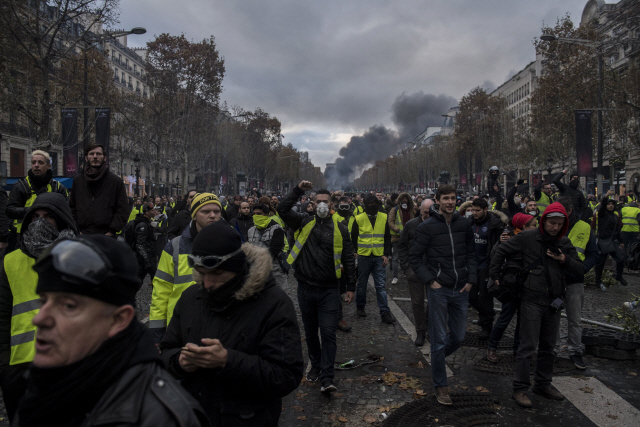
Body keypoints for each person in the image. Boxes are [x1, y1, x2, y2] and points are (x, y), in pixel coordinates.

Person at [12, 235, 209, 426]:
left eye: (69, 306)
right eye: (43, 301)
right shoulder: (43, 385)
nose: (39, 319)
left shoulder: (161, 416)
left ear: (118, 320)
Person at [159, 222, 302, 426]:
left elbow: (286, 375)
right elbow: (166, 350)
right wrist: (179, 361)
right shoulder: (190, 298)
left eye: (216, 274)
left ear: (236, 267)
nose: (207, 283)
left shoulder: (274, 304)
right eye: (201, 272)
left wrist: (228, 361)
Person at [490, 202, 582, 408]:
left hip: (554, 301)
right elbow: (501, 250)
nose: (555, 227)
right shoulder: (527, 237)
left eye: (559, 224)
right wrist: (495, 275)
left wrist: (564, 259)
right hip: (531, 299)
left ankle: (543, 383)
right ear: (544, 221)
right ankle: (520, 388)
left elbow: (579, 269)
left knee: (548, 347)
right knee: (527, 346)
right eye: (552, 223)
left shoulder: (564, 242)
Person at [0, 193, 77, 421]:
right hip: (21, 367)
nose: (40, 223)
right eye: (35, 217)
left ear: (62, 220)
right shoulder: (9, 261)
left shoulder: (79, 257)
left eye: (48, 217)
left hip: (69, 365)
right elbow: (2, 317)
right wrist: (5, 369)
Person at [277, 181, 356, 394]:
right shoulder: (303, 222)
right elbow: (282, 209)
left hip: (330, 289)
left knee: (329, 333)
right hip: (305, 288)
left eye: (325, 202)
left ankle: (327, 377)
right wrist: (298, 190)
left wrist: (350, 286)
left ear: (331, 205)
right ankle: (316, 365)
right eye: (318, 201)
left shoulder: (340, 228)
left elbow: (348, 257)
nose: (321, 205)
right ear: (312, 203)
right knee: (311, 333)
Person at [409, 184, 476, 405]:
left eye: (453, 198)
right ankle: (441, 385)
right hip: (440, 289)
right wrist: (431, 281)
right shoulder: (426, 227)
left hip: (461, 288)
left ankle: (436, 362)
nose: (449, 202)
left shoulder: (465, 224)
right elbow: (415, 258)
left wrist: (471, 280)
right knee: (438, 340)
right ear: (437, 200)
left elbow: (471, 254)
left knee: (457, 337)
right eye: (445, 198)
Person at [149, 193, 225, 343]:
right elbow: (161, 291)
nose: (212, 215)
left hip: (220, 326)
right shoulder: (174, 247)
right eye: (206, 211)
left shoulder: (231, 244)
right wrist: (157, 333)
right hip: (179, 326)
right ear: (194, 215)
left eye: (217, 211)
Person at [486, 212, 538, 363]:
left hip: (528, 284)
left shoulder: (533, 238)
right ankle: (492, 347)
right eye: (533, 225)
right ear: (524, 226)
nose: (536, 228)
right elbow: (495, 256)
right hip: (512, 284)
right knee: (505, 318)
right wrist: (500, 244)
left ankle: (517, 349)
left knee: (523, 320)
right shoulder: (510, 237)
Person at [555, 197, 599, 370]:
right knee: (554, 315)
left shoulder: (584, 227)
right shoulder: (552, 225)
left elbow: (593, 254)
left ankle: (575, 351)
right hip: (556, 283)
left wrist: (582, 269)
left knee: (574, 319)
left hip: (574, 282)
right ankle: (553, 350)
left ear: (570, 211)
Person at [5, 150, 68, 251]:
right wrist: (32, 211)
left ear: (48, 166)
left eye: (40, 162)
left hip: (51, 238)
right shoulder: (20, 186)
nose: (36, 165)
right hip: (21, 238)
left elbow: (67, 212)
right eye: (33, 162)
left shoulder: (58, 188)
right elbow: (9, 211)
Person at [352, 194, 394, 324]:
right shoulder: (358, 218)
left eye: (375, 204)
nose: (373, 206)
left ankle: (385, 312)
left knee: (380, 285)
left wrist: (386, 254)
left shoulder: (384, 217)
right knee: (362, 284)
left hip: (379, 256)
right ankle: (360, 307)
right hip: (364, 256)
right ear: (365, 204)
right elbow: (353, 237)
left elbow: (387, 237)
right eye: (370, 204)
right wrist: (355, 251)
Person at [69, 143, 129, 236]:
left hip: (106, 236)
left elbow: (123, 209)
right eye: (91, 154)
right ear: (86, 158)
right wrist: (76, 229)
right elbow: (72, 207)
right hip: (82, 234)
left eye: (98, 154)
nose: (95, 156)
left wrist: (112, 231)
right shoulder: (78, 181)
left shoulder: (115, 181)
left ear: (105, 158)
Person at [469, 198, 507, 339]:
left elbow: (499, 246)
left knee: (485, 298)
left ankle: (486, 326)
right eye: (472, 210)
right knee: (470, 295)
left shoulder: (494, 225)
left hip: (486, 265)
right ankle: (487, 314)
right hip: (472, 265)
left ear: (485, 209)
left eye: (477, 210)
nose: (474, 213)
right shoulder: (470, 223)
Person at [398, 198, 433, 346]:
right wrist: (406, 267)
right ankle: (420, 331)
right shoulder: (411, 225)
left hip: (433, 268)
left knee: (434, 302)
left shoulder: (438, 224)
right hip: (414, 269)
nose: (428, 215)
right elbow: (402, 246)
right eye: (426, 212)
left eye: (430, 212)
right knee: (417, 303)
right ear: (420, 210)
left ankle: (429, 326)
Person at [246, 203, 287, 288]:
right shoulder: (251, 230)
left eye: (259, 214)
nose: (256, 216)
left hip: (275, 271)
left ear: (266, 214)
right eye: (254, 214)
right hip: (256, 271)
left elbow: (274, 251)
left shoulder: (277, 229)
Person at [591, 193, 626, 291]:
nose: (611, 206)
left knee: (620, 259)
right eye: (609, 204)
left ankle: (619, 276)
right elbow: (602, 206)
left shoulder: (615, 216)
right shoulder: (602, 214)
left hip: (613, 241)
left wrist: (621, 241)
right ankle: (598, 281)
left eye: (612, 204)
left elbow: (618, 230)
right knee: (600, 264)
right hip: (603, 242)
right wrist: (606, 196)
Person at [333, 196, 356, 332]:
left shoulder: (354, 217)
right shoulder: (333, 218)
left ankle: (338, 318)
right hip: (335, 253)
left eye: (345, 206)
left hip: (349, 251)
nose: (344, 209)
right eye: (341, 206)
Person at [388, 192, 414, 285]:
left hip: (409, 237)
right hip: (397, 237)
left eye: (406, 199)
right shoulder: (394, 210)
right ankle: (395, 277)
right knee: (395, 258)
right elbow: (390, 222)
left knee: (408, 257)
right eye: (403, 199)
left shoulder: (411, 209)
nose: (404, 200)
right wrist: (398, 230)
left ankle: (406, 273)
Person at [132, 202, 160, 282]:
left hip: (147, 256)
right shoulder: (143, 225)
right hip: (146, 258)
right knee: (156, 279)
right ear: (146, 212)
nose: (154, 211)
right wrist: (147, 260)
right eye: (152, 210)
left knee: (138, 279)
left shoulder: (147, 223)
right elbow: (140, 244)